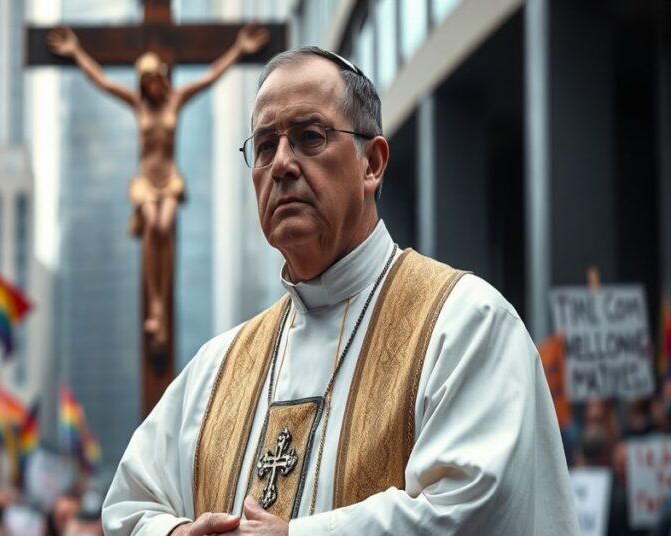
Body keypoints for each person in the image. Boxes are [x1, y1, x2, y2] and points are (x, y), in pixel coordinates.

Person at [102, 46, 577, 534]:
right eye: (265, 146)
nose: (282, 164)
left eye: (310, 137)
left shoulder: (466, 324)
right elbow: (128, 506)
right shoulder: (216, 370)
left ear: (372, 163)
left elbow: (475, 507)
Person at [47, 24, 269, 349]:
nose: (150, 86)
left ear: (161, 78)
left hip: (169, 179)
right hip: (145, 182)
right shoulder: (138, 105)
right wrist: (76, 52)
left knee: (164, 225)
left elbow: (209, 76)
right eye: (144, 81)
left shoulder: (175, 101)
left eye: (153, 79)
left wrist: (238, 48)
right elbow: (104, 82)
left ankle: (160, 306)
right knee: (153, 223)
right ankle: (155, 305)